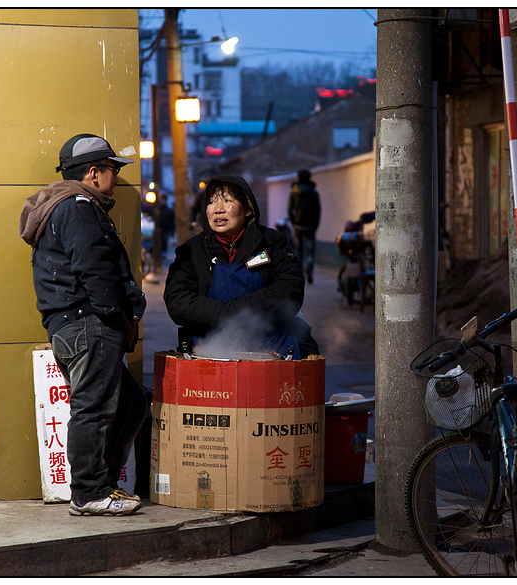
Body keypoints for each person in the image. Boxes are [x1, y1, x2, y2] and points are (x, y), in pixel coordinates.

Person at [19, 133, 146, 516]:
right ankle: (89, 491)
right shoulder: (78, 208)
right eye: (111, 171)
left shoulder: (68, 207)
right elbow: (96, 270)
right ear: (93, 173)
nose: (115, 179)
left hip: (75, 324)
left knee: (131, 405)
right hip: (88, 324)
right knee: (94, 409)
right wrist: (115, 318)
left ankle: (101, 482)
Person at [164, 175, 319, 359]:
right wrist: (229, 314)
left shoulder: (272, 242)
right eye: (211, 202)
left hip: (272, 346)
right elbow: (178, 301)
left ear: (247, 209)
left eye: (227, 200)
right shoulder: (192, 250)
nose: (218, 209)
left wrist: (237, 311)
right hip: (209, 349)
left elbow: (289, 291)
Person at [287, 169, 321, 284]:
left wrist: (294, 223)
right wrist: (315, 225)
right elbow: (318, 211)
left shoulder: (293, 193)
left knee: (298, 252)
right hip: (310, 226)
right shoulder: (314, 193)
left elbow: (289, 210)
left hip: (298, 226)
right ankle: (309, 267)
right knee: (311, 251)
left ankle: (300, 274)